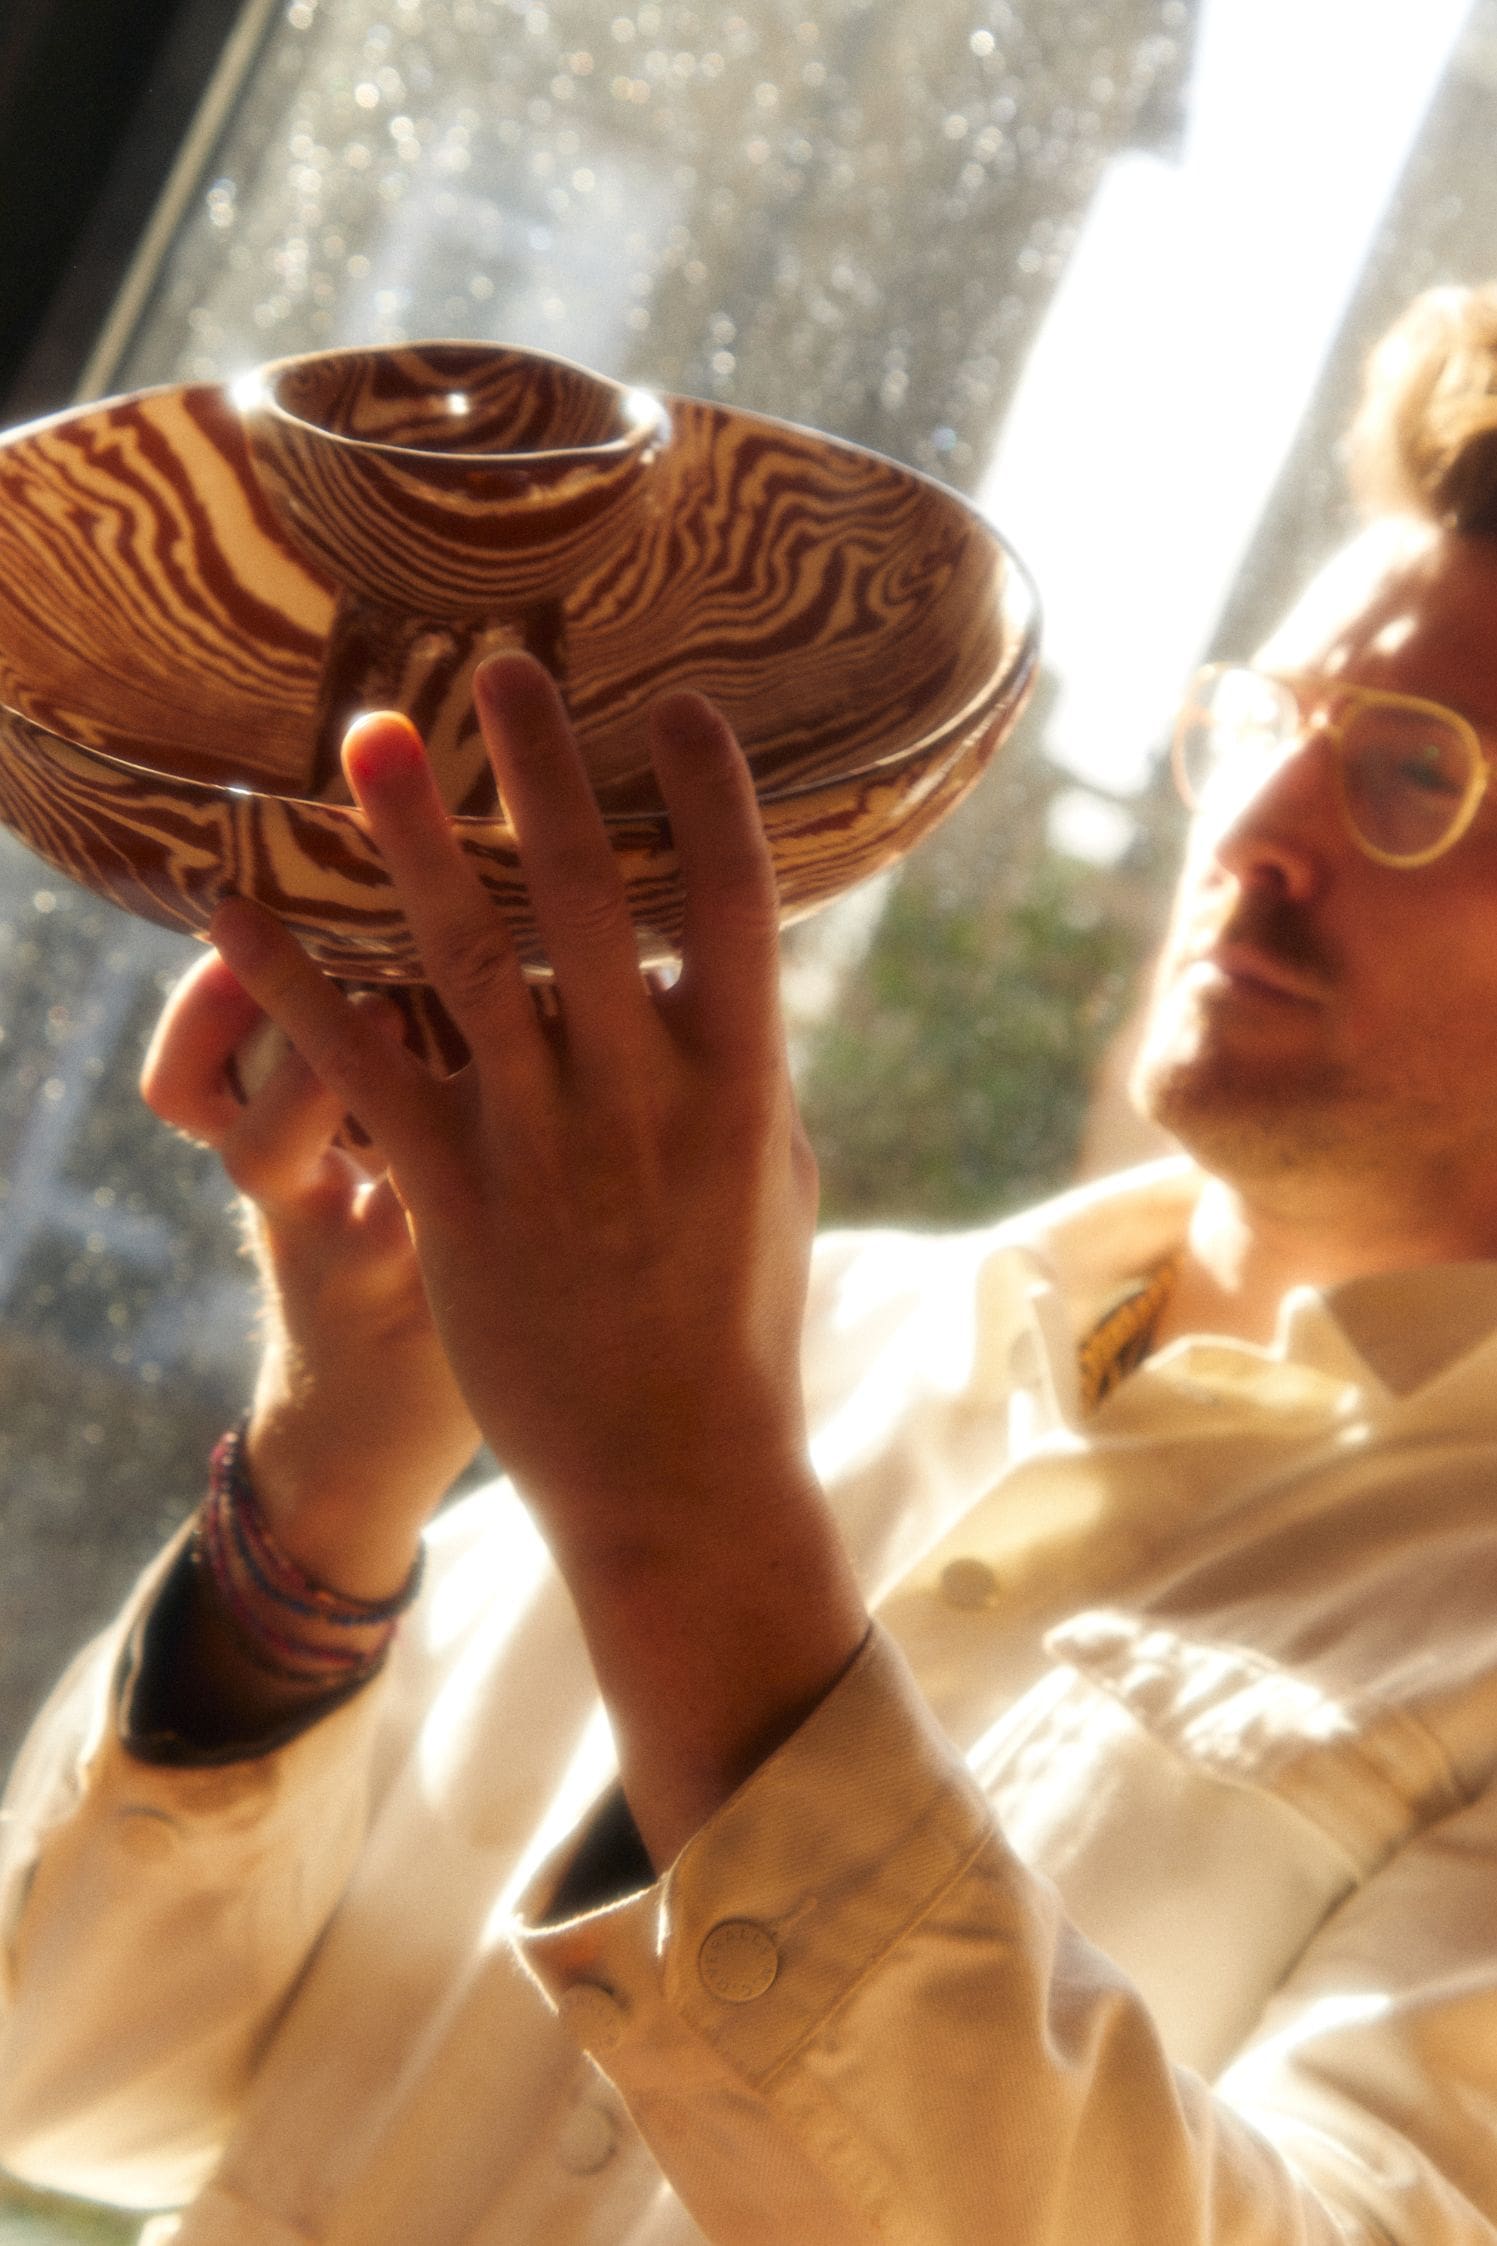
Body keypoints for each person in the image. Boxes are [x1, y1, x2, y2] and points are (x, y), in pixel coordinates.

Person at [4, 283, 1497, 2246]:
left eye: (1408, 773)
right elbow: (67, 2071)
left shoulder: (687, 1379)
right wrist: (331, 1482)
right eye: (1263, 721)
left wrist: (679, 1502)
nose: (1255, 823)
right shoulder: (804, 1327)